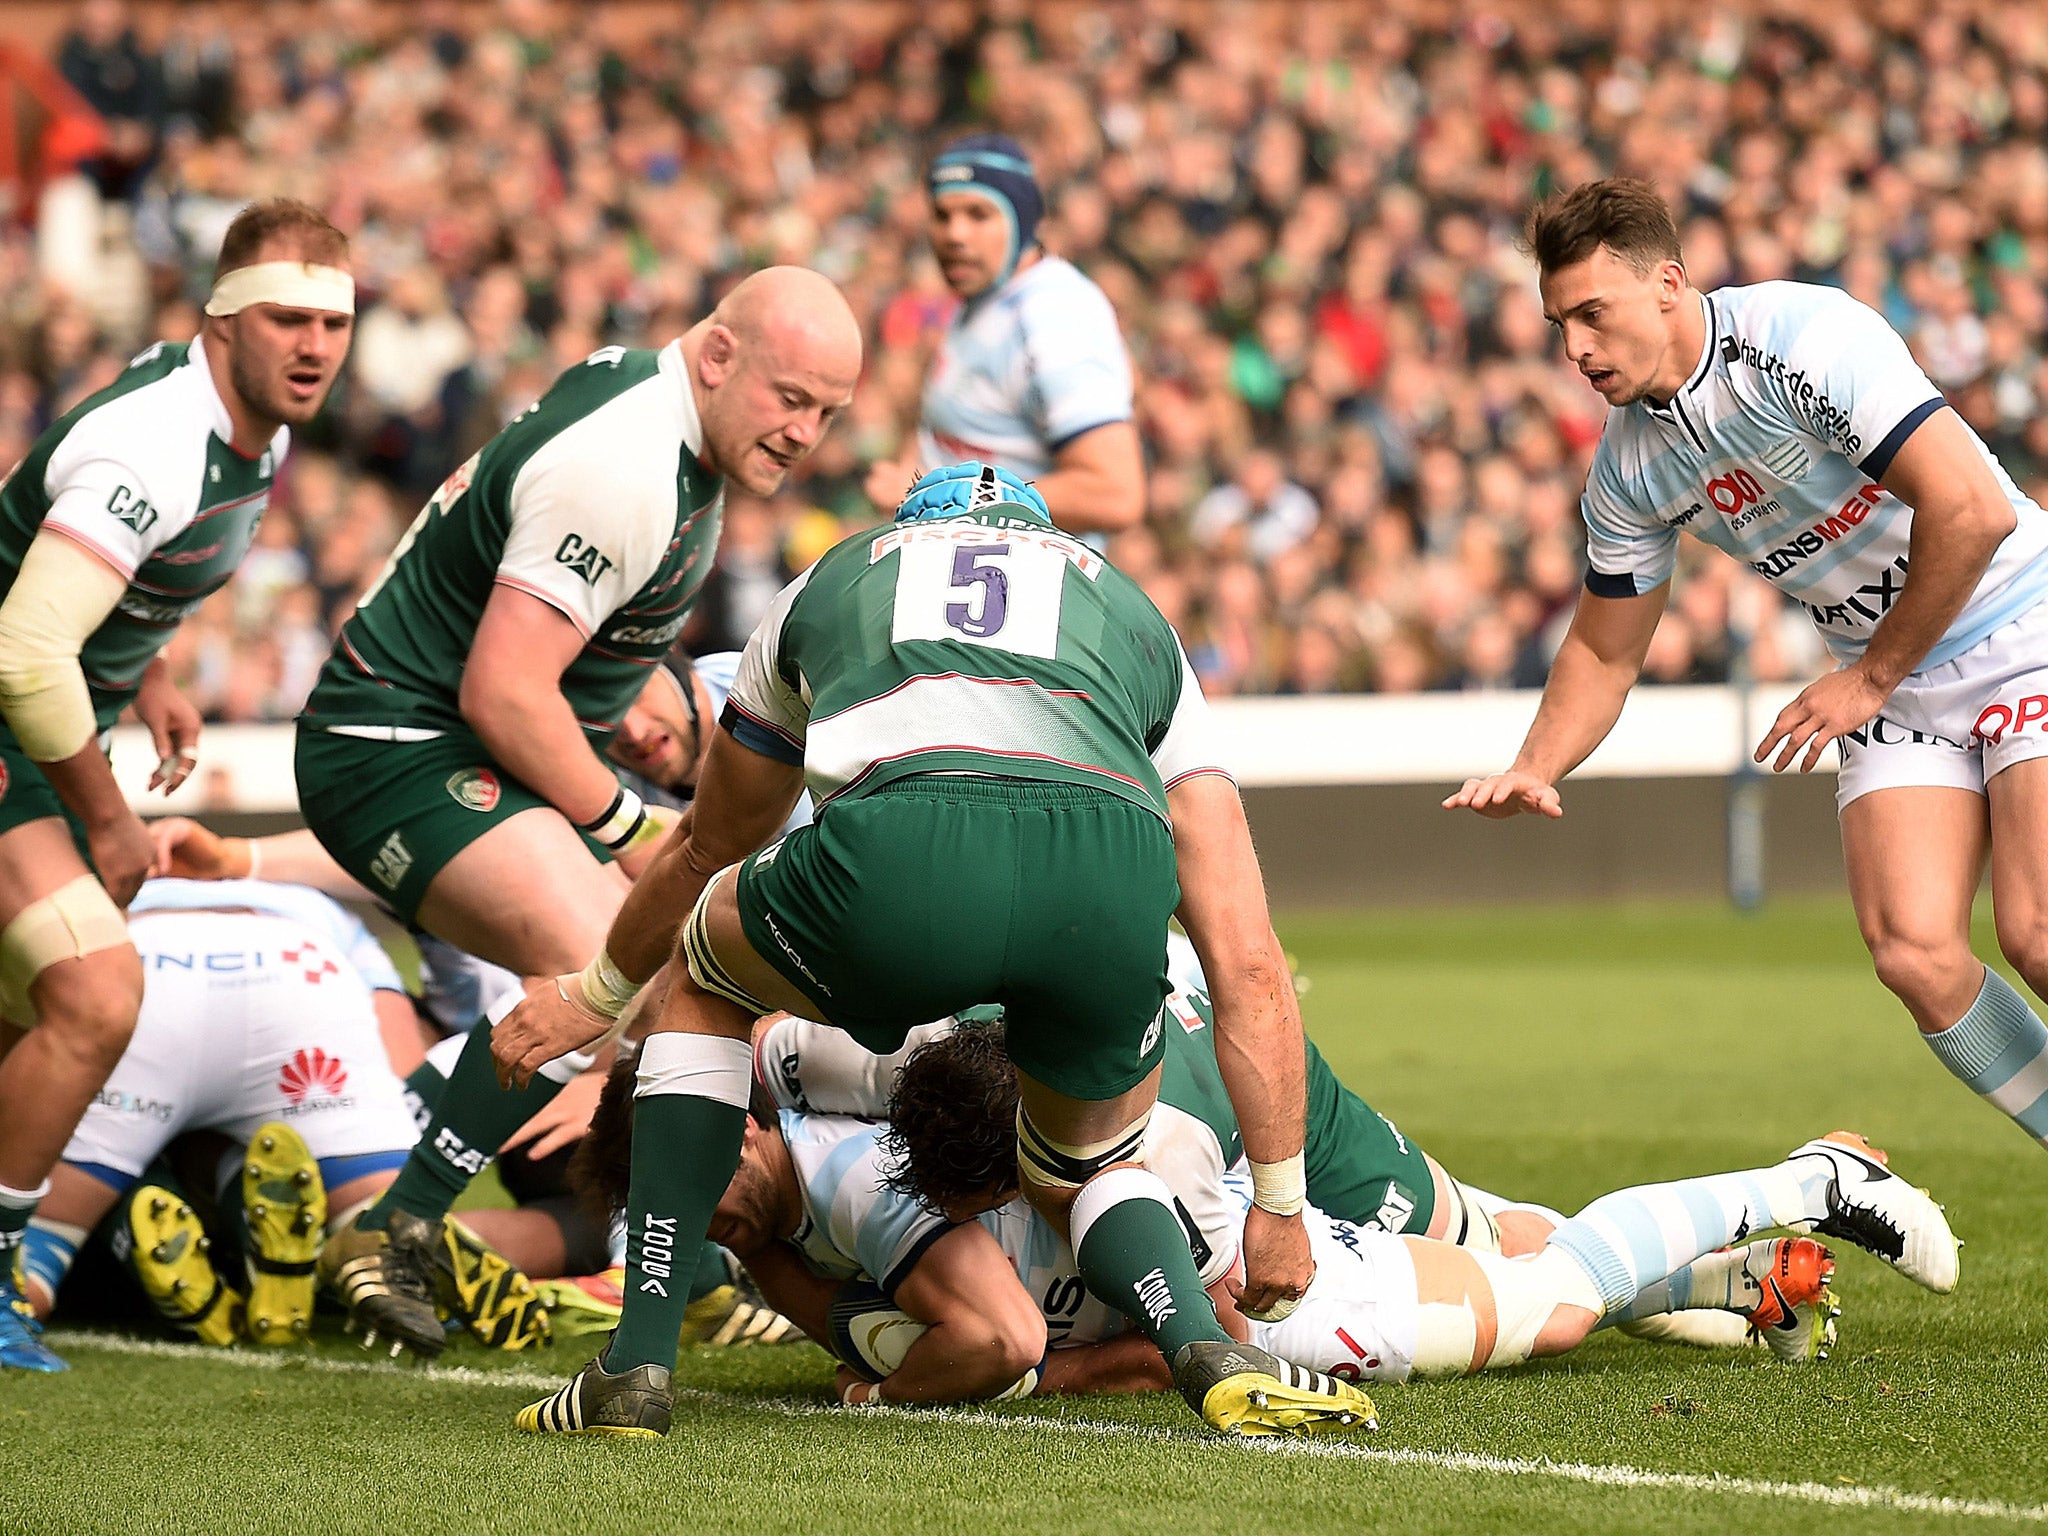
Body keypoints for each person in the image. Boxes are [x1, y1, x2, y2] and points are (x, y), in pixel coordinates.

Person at [495, 462, 1370, 1440]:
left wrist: (602, 989)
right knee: (1079, 1164)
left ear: (908, 530)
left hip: (895, 864)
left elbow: (708, 841)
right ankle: (1202, 1345)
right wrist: (1281, 1204)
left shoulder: (831, 579)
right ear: (1045, 536)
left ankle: (635, 1367)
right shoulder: (1134, 616)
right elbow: (1246, 960)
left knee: (703, 979)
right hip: (1103, 885)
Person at [291, 268, 861, 1359]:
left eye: (827, 412)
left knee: (660, 979)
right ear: (717, 355)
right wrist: (628, 827)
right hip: (400, 749)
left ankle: (669, 1268)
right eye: (791, 397)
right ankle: (403, 1226)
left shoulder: (665, 428)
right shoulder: (628, 467)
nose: (804, 432)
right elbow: (504, 689)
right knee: (616, 965)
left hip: (442, 747)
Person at [1447, 178, 2048, 1163]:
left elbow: (1971, 511)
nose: (1573, 349)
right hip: (1890, 675)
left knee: (2032, 931)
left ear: (1668, 285)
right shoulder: (1628, 468)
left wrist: (1864, 680)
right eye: (1558, 324)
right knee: (1910, 948)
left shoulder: (1799, 338)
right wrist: (1537, 764)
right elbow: (1603, 646)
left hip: (2013, 616)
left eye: (1592, 314)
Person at [0, 197, 353, 1371]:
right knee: (96, 997)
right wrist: (106, 817)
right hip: (16, 727)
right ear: (222, 320)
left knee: (25, 1014)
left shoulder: (254, 426)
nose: (314, 346)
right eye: (287, 319)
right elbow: (23, 649)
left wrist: (144, 670)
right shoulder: (155, 443)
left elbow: (90, 589)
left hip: (40, 723)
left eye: (333, 322)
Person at [870, 1023, 1957, 1399]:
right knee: (1523, 1251)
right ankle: (1728, 1276)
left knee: (1554, 1298)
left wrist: (1046, 1373)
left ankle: (1808, 1181)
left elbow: (1206, 1337)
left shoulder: (1143, 1162)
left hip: (1298, 1266)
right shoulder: (943, 1075)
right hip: (1256, 1171)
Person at [862, 135, 1144, 538]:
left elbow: (1114, 494)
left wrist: (936, 498)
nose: (955, 234)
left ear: (1023, 224)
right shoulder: (983, 294)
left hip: (1026, 587)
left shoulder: (1056, 318)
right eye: (942, 215)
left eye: (979, 214)